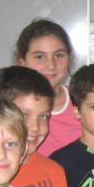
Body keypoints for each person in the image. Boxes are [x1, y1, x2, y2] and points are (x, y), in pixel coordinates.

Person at [16, 18, 82, 156]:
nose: (51, 65)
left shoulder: (84, 102)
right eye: (40, 57)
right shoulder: (10, 107)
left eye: (59, 55)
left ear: (69, 58)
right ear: (22, 62)